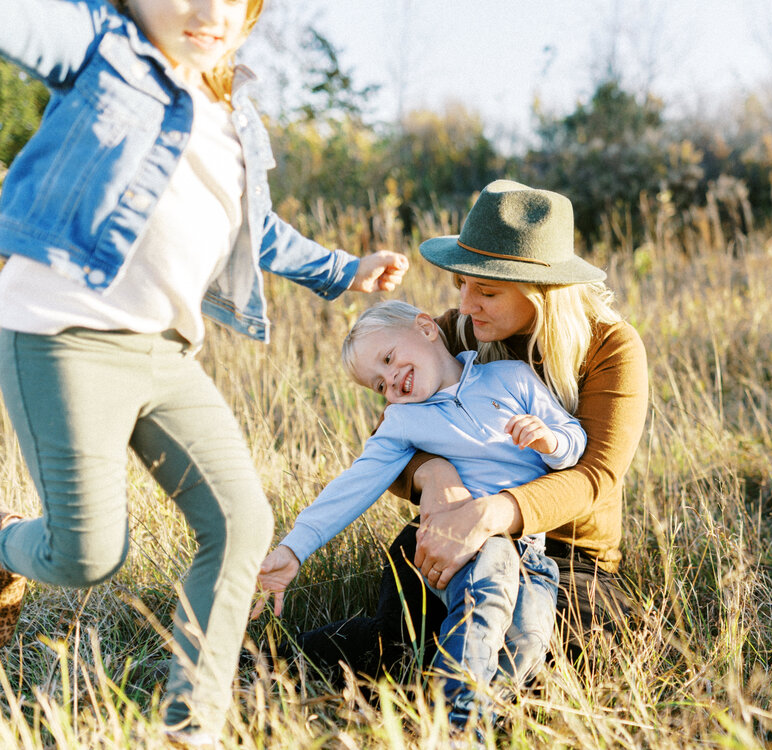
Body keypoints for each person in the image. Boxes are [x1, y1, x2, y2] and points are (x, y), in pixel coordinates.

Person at [0, 0, 408, 745]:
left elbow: (255, 227)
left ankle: (193, 728)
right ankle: (2, 541)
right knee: (87, 556)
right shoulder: (103, 46)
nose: (208, 11)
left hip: (165, 351)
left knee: (241, 523)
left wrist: (343, 269)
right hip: (62, 335)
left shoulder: (230, 104)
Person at [273, 179, 649, 686]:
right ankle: (274, 661)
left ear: (543, 291)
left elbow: (595, 478)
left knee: (566, 654)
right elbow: (390, 432)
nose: (468, 304)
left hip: (562, 553)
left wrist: (492, 513)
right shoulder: (457, 329)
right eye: (463, 285)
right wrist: (434, 474)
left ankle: (461, 694)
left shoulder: (611, 348)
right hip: (454, 527)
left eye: (487, 290)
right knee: (399, 637)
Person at [254, 299, 585, 728]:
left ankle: (479, 713)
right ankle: (456, 721)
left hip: (534, 553)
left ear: (427, 328)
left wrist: (550, 442)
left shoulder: (511, 378)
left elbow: (574, 438)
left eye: (389, 358)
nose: (391, 380)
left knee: (527, 640)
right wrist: (294, 548)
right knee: (484, 599)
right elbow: (354, 484)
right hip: (471, 545)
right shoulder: (403, 421)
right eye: (378, 384)